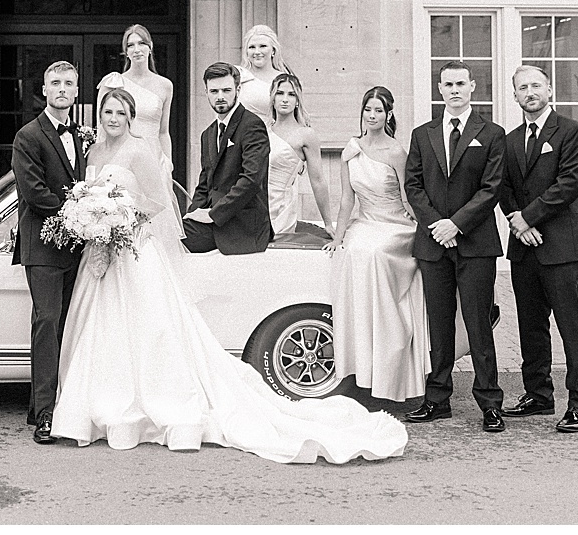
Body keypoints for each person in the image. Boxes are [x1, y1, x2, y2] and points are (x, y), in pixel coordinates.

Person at [51, 88, 409, 463]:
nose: (112, 118)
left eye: (119, 112)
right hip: (98, 257)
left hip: (133, 251)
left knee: (146, 328)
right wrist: (92, 219)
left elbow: (158, 202)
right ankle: (92, 406)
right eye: (107, 111)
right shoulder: (93, 152)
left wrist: (119, 220)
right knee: (101, 329)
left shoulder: (139, 150)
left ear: (130, 117)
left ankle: (139, 407)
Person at [403, 61, 507, 433]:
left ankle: (490, 403)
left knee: (479, 325)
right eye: (448, 84)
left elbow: (491, 188)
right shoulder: (422, 134)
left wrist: (456, 225)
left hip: (475, 243)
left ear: (473, 87)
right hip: (433, 244)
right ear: (440, 89)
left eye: (461, 83)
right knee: (440, 325)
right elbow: (413, 186)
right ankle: (437, 399)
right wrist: (436, 226)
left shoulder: (492, 133)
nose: (455, 90)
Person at [498, 65, 578, 434]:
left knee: (571, 327)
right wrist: (517, 223)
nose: (530, 92)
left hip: (561, 247)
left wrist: (529, 218)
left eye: (536, 85)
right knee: (531, 326)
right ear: (515, 96)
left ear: (550, 90)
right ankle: (538, 395)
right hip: (524, 248)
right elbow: (502, 188)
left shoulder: (572, 132)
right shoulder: (508, 141)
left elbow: (568, 184)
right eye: (522, 87)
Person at [325, 86, 429, 402]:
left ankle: (391, 346)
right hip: (364, 221)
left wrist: (427, 227)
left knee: (374, 252)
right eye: (368, 110)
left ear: (389, 114)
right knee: (352, 251)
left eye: (379, 111)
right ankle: (361, 358)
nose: (372, 116)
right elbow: (346, 200)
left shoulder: (397, 152)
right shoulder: (350, 149)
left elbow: (410, 197)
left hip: (395, 223)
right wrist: (338, 236)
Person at [10, 60, 85, 445]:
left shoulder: (83, 136)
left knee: (70, 326)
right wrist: (82, 212)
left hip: (80, 246)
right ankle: (45, 414)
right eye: (54, 82)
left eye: (68, 83)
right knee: (47, 323)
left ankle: (52, 404)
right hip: (42, 244)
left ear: (76, 91)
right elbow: (36, 193)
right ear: (44, 89)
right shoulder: (28, 135)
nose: (61, 89)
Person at [182, 62, 272, 255]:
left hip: (243, 226)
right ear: (206, 92)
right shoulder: (208, 134)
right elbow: (205, 185)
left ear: (238, 90)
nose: (220, 96)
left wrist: (213, 214)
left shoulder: (252, 126)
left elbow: (251, 180)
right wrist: (192, 214)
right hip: (214, 223)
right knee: (170, 234)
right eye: (214, 91)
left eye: (226, 90)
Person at [95, 24, 174, 189]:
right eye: (130, 45)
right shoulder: (114, 83)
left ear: (150, 47)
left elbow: (163, 131)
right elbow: (102, 131)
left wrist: (168, 163)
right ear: (126, 52)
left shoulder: (165, 85)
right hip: (122, 160)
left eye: (141, 43)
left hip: (155, 160)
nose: (137, 49)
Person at [267, 72, 334, 234]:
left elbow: (318, 180)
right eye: (280, 93)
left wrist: (328, 223)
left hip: (281, 210)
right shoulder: (262, 130)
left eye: (291, 95)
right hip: (257, 206)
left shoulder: (306, 135)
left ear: (297, 101)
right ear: (272, 98)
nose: (285, 99)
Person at [235, 24, 293, 126]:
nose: (257, 52)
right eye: (252, 47)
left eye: (263, 46)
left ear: (273, 51)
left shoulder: (285, 79)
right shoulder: (238, 75)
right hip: (242, 137)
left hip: (273, 136)